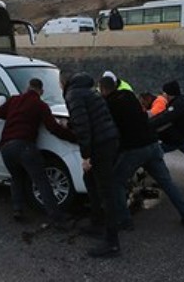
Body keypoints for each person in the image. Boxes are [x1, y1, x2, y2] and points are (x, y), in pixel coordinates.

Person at [98, 77, 184, 232]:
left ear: (103, 89)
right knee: (167, 183)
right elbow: (142, 114)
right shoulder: (129, 95)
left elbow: (111, 130)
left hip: (134, 149)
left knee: (116, 182)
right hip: (152, 144)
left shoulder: (109, 104)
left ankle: (125, 221)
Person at [0, 78, 75, 228]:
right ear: (41, 92)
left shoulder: (14, 100)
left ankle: (17, 209)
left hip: (5, 147)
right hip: (25, 146)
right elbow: (53, 128)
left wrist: (13, 114)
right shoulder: (40, 105)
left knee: (16, 177)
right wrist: (73, 137)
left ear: (27, 87)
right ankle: (57, 218)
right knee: (41, 181)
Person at [60, 70, 121, 258]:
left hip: (101, 145)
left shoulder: (74, 94)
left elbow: (84, 127)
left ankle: (112, 243)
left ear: (63, 82)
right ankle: (97, 223)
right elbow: (90, 118)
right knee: (90, 181)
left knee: (105, 190)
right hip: (109, 140)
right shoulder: (88, 90)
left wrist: (86, 157)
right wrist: (71, 125)